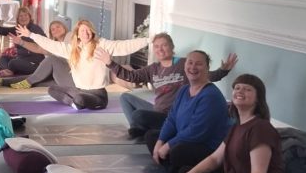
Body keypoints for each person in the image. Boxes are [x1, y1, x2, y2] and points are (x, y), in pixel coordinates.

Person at [179, 74, 288, 173]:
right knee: (189, 172)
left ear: (258, 98)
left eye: (247, 89)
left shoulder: (261, 128)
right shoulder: (236, 127)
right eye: (237, 88)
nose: (240, 91)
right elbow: (215, 159)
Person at [95, 32, 237, 138]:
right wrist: (110, 63)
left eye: (164, 45)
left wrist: (223, 70)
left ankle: (144, 128)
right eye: (156, 46)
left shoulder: (184, 64)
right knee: (125, 98)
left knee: (138, 115)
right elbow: (131, 76)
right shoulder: (153, 68)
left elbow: (206, 76)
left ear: (171, 47)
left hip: (172, 116)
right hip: (157, 110)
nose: (160, 49)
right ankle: (138, 128)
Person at [14, 17, 148, 110]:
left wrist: (147, 40)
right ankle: (74, 103)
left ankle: (76, 102)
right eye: (82, 31)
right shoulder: (72, 50)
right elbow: (51, 45)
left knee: (80, 99)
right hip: (79, 90)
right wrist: (31, 35)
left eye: (88, 30)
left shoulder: (102, 45)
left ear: (92, 32)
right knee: (52, 89)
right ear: (77, 35)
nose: (85, 33)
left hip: (98, 95)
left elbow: (124, 45)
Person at [144, 50, 231, 173]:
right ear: (185, 66)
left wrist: (169, 145)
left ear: (207, 68)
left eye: (199, 64)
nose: (193, 67)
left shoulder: (211, 96)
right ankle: (177, 169)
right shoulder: (184, 89)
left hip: (206, 146)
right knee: (151, 136)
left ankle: (178, 169)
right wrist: (161, 141)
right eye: (190, 63)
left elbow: (196, 132)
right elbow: (172, 119)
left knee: (177, 152)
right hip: (185, 138)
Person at [0, 19, 72, 89]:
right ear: (52, 34)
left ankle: (28, 82)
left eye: (58, 26)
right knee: (36, 80)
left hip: (72, 78)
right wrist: (21, 42)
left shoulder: (70, 37)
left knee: (50, 61)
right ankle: (1, 82)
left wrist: (30, 35)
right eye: (53, 29)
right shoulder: (52, 45)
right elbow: (38, 48)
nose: (56, 29)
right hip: (61, 78)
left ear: (64, 28)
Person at [0, 6, 46, 81]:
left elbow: (45, 41)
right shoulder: (17, 29)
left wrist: (24, 39)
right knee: (4, 58)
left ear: (30, 17)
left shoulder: (35, 28)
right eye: (21, 16)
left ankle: (8, 71)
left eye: (25, 15)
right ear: (17, 19)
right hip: (22, 59)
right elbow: (0, 30)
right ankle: (8, 71)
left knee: (13, 63)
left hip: (35, 64)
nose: (23, 18)